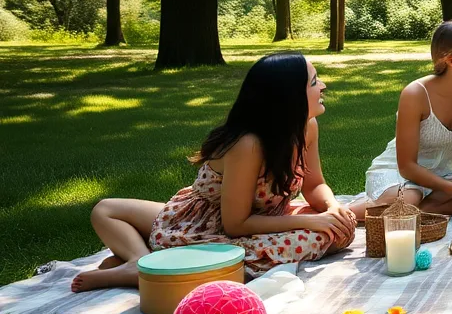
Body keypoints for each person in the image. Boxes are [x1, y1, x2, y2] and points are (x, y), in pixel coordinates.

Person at [72, 53, 355, 291]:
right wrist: (312, 222)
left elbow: (314, 185)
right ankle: (140, 263)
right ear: (288, 97)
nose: (323, 86)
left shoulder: (306, 127)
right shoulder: (248, 144)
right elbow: (236, 224)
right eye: (314, 82)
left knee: (340, 228)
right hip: (205, 224)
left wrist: (331, 208)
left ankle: (165, 264)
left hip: (265, 219)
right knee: (104, 209)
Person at [360, 21, 452, 217]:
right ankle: (349, 213)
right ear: (451, 60)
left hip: (446, 175)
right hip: (399, 174)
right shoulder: (416, 93)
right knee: (408, 198)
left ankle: (416, 212)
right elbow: (407, 167)